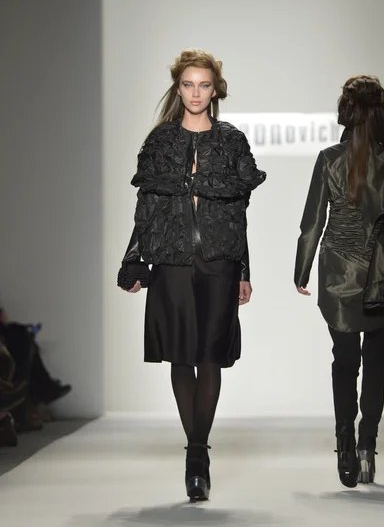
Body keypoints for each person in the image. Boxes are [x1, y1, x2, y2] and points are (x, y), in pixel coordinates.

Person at [118, 49, 266, 501]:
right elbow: (147, 206)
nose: (196, 92)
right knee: (182, 356)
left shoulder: (230, 140)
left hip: (220, 258)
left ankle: (198, 449)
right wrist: (133, 258)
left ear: (215, 88)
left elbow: (239, 210)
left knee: (211, 357)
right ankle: (196, 455)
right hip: (172, 258)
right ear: (177, 87)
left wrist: (243, 267)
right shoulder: (161, 141)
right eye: (188, 84)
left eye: (204, 85)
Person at [294, 76, 384, 488]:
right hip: (382, 274)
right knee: (376, 360)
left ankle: (344, 444)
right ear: (379, 113)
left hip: (339, 273)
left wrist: (302, 269)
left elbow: (314, 221)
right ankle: (365, 446)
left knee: (345, 362)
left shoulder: (329, 159)